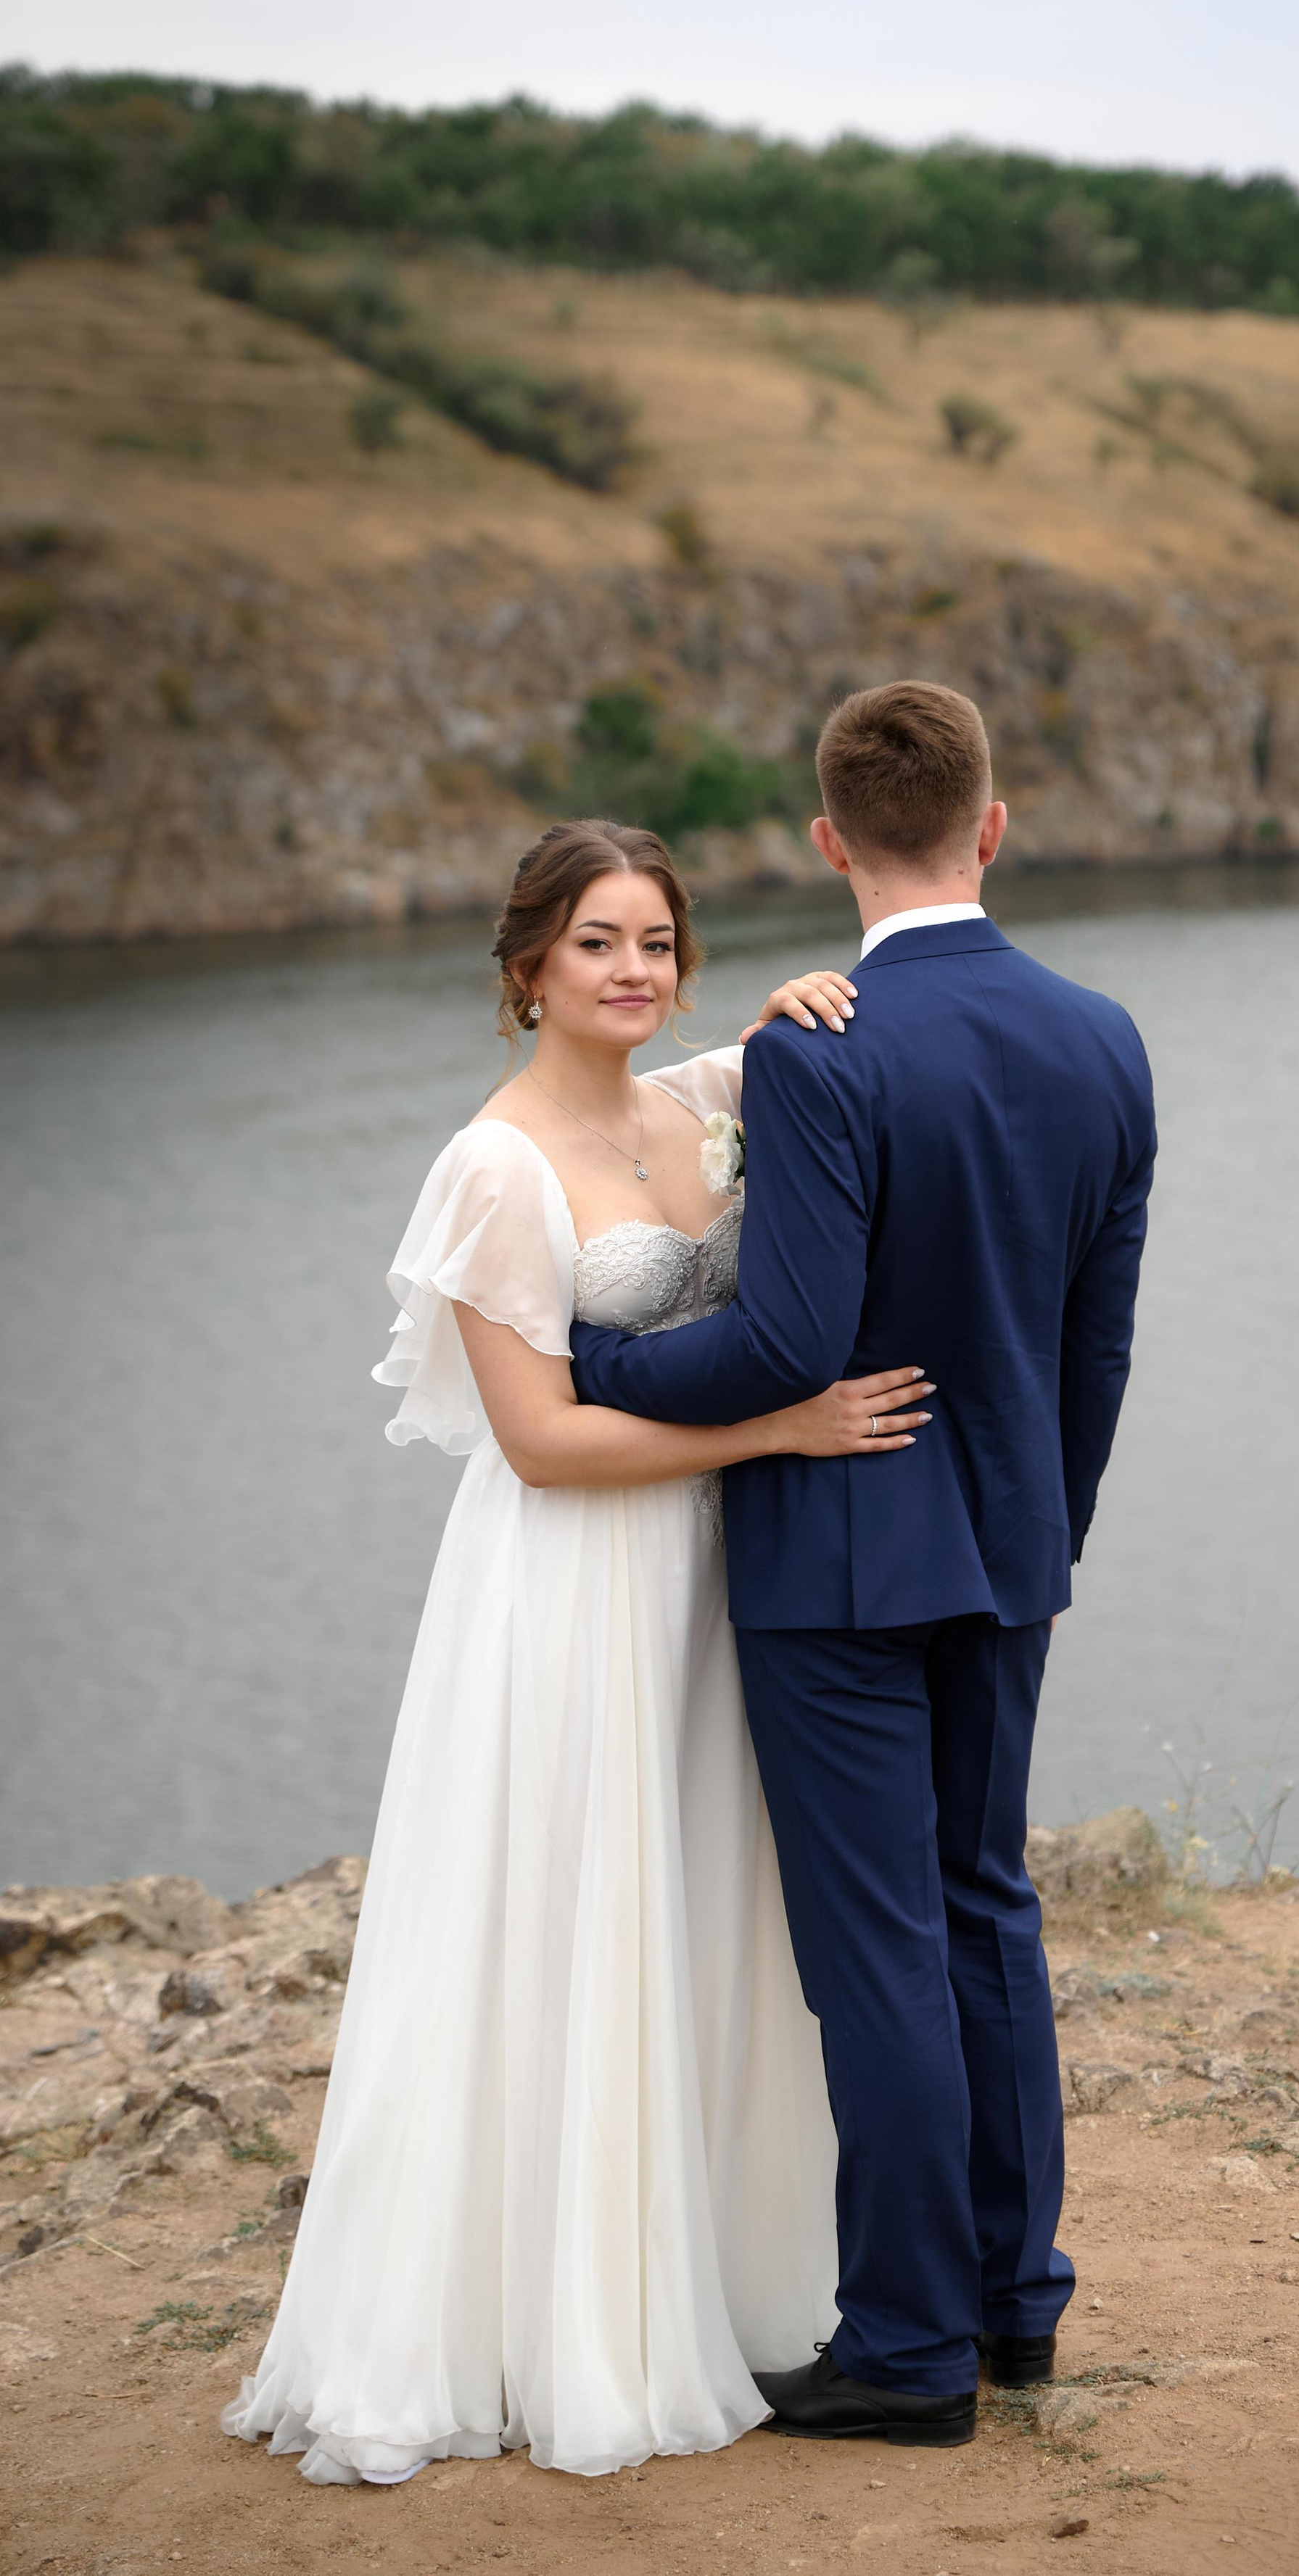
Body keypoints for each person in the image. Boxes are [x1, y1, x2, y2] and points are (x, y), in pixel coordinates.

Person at [223, 819, 929, 2486]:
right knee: (569, 1918)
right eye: (600, 943)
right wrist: (786, 1431)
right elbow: (535, 1439)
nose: (633, 971)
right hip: (571, 1580)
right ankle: (543, 2315)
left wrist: (807, 1001)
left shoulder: (693, 1101)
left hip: (702, 1577)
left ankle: (705, 2276)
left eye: (658, 943)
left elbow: (782, 1054)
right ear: (528, 962)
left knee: (698, 1910)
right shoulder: (492, 1165)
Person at [570, 681, 1156, 2449]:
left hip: (833, 1558)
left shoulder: (826, 1049)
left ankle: (905, 2353)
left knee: (881, 1948)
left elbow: (787, 1342)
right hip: (1008, 1544)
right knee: (986, 1910)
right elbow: (1095, 1341)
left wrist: (592, 1370)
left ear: (829, 842)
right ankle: (1013, 2305)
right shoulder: (1104, 1038)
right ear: (991, 824)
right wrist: (1040, 1523)